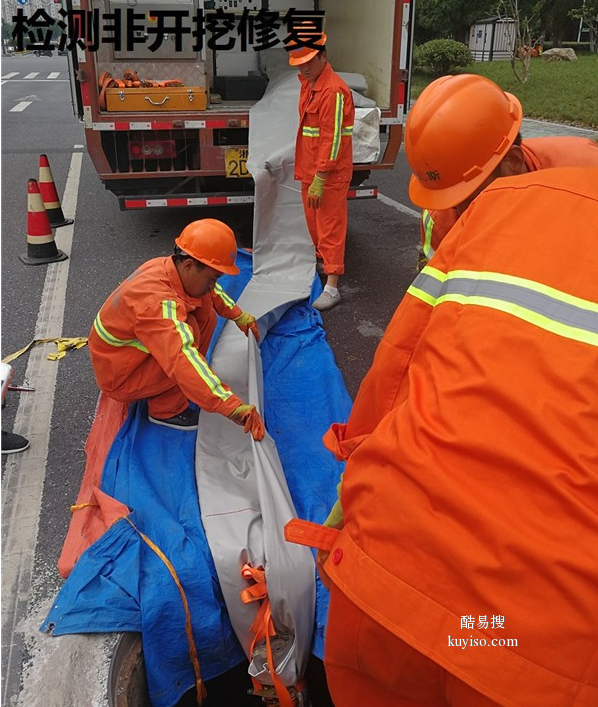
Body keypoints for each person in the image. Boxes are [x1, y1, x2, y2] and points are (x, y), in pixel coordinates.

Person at [292, 75, 598, 707]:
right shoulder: (482, 209)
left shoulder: (491, 214)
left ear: (512, 154)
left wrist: (357, 491)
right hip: (529, 657)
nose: (459, 207)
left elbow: (392, 372)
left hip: (379, 603)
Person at [88, 219, 265, 439]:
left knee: (205, 311)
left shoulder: (167, 267)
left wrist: (237, 315)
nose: (213, 285)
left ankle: (189, 385)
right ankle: (166, 410)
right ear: (189, 265)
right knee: (188, 340)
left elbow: (212, 292)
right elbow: (182, 357)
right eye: (212, 278)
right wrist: (230, 406)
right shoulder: (157, 305)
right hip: (121, 376)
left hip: (124, 358)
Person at [415, 74, 598, 265]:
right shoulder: (442, 216)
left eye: (468, 195)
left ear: (512, 161)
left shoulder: (587, 171)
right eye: (451, 197)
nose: (460, 209)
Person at [289, 28, 355, 311]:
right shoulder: (309, 83)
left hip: (327, 174)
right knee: (315, 225)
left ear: (323, 57)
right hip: (311, 169)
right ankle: (323, 264)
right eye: (299, 63)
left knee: (330, 228)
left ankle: (332, 285)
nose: (304, 67)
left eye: (309, 61)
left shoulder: (334, 90)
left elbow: (333, 137)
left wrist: (321, 176)